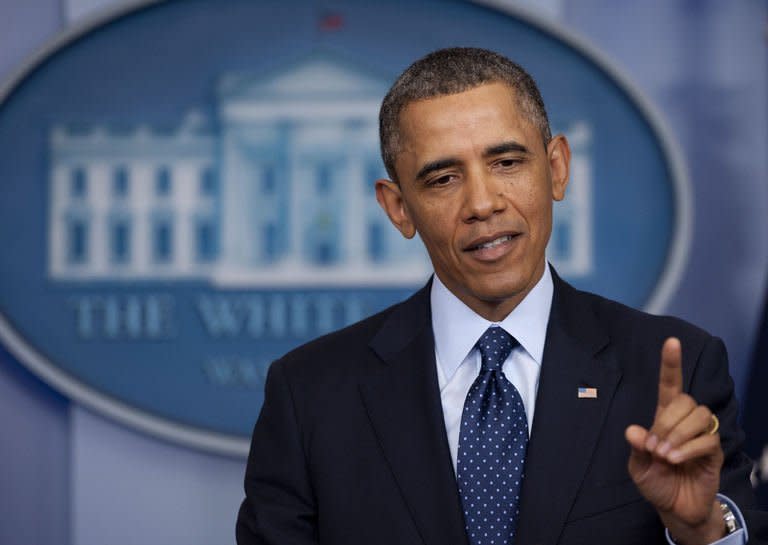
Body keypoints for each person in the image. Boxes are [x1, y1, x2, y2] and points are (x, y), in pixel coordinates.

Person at [236, 47, 767, 545]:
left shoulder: (674, 371)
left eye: (507, 163)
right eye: (443, 178)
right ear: (398, 208)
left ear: (556, 167)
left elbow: (722, 518)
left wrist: (699, 531)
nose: (483, 203)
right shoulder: (308, 395)